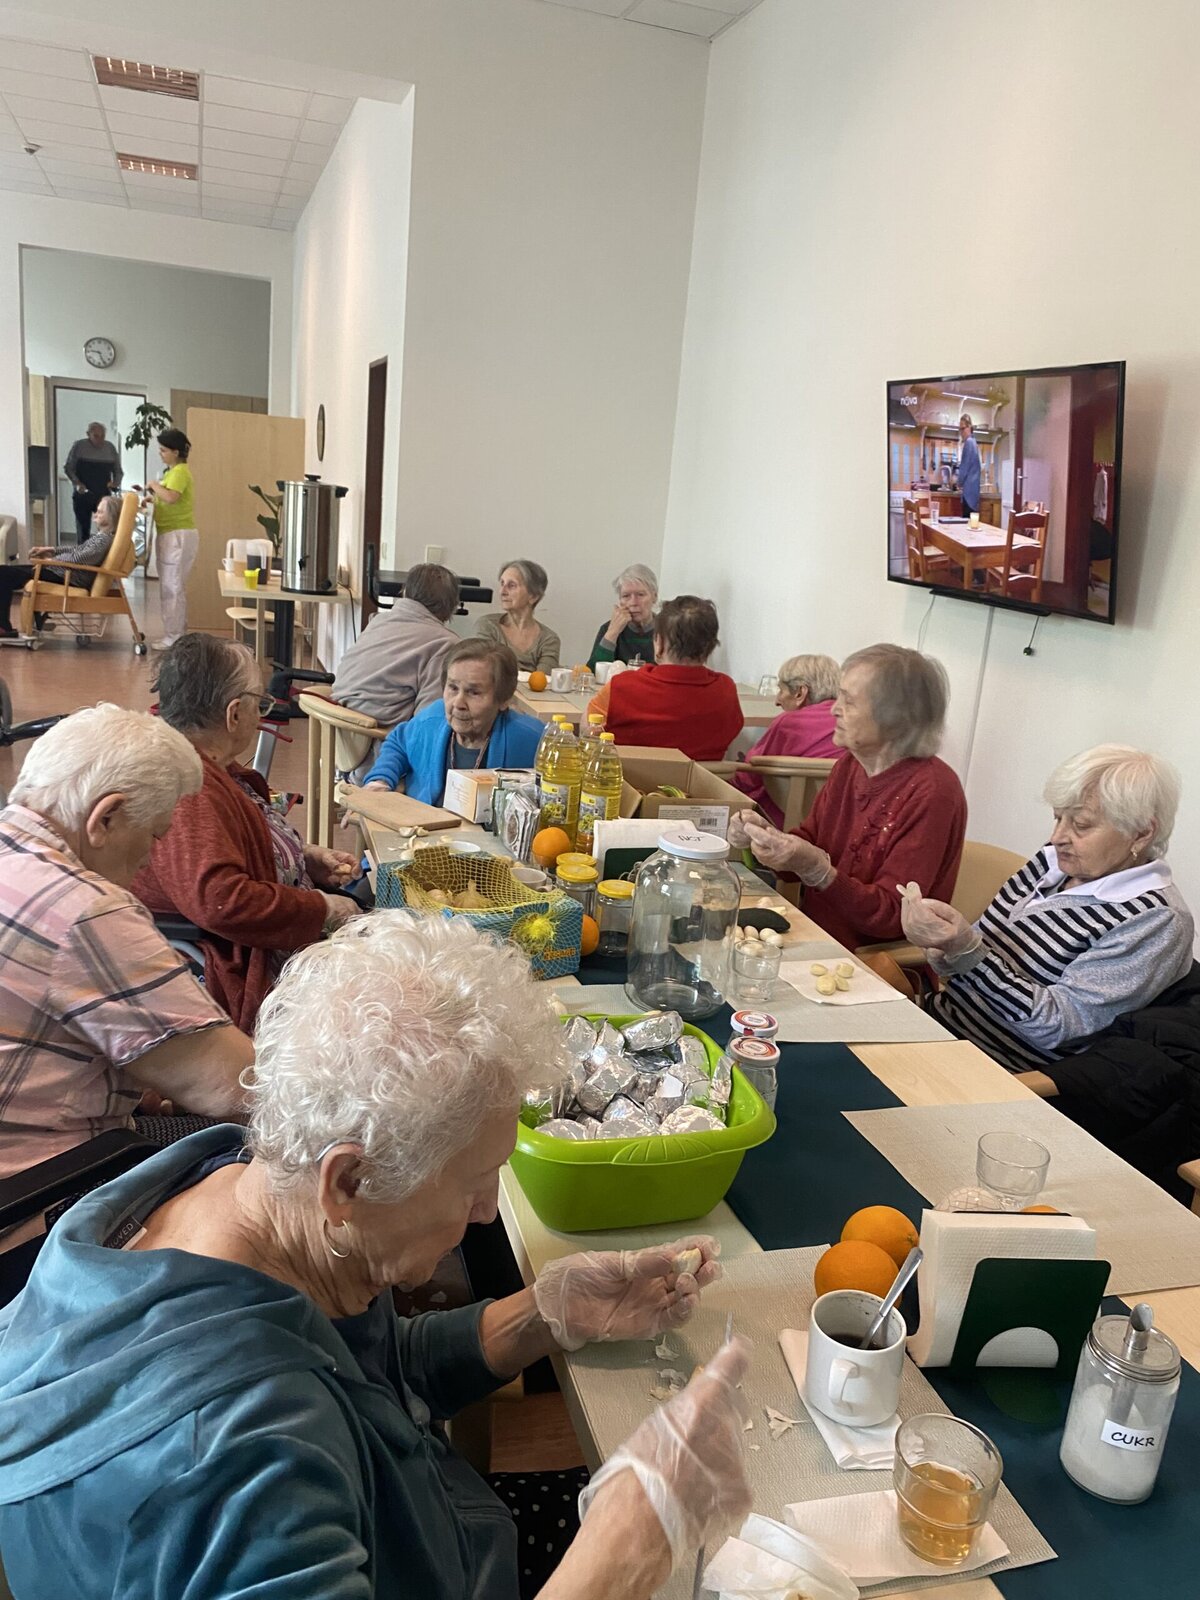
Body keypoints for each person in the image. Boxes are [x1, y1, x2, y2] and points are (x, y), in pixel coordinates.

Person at [0, 913, 751, 1600]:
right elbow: (300, 1414)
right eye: (475, 1182)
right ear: (349, 1181)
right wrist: (623, 1557)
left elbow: (356, 1378)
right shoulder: (244, 1465)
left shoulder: (235, 1184)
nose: (488, 1211)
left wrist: (544, 1315)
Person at [0, 704, 252, 1189]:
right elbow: (232, 1086)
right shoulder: (84, 909)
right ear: (106, 817)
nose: (149, 860)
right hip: (45, 1189)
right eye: (154, 835)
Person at [903, 745, 1194, 1080]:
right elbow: (972, 964)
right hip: (937, 1026)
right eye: (1058, 818)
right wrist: (940, 944)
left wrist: (967, 952)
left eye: (1081, 825)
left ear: (1142, 833)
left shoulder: (1156, 920)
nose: (1057, 837)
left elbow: (1058, 1027)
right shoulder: (1052, 862)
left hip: (996, 1069)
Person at [133, 635, 362, 1031]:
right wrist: (323, 910)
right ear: (234, 714)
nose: (262, 713)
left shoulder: (209, 765)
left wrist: (304, 857)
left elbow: (234, 846)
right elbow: (221, 901)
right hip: (248, 957)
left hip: (281, 923)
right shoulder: (188, 789)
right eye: (261, 702)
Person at [729, 644, 966, 950]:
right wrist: (766, 838)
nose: (834, 709)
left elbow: (893, 916)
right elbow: (806, 846)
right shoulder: (850, 764)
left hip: (871, 959)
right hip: (813, 936)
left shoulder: (933, 792)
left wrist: (820, 872)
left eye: (849, 701)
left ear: (895, 719)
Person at [364, 637, 544, 803]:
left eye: (474, 692)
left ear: (504, 699)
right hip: (423, 823)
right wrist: (381, 779)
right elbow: (398, 743)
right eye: (453, 688)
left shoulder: (531, 738)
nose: (458, 703)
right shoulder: (433, 719)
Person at [331, 562, 460, 775]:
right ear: (451, 607)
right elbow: (429, 718)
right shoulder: (445, 644)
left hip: (337, 741)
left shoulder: (378, 621)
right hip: (376, 756)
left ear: (405, 592)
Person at [586, 595, 742, 761]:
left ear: (659, 643)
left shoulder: (621, 687)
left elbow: (589, 728)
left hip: (629, 776)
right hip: (704, 777)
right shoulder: (726, 690)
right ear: (711, 646)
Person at [731, 653, 842, 826]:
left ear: (800, 693)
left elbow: (748, 777)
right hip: (834, 821)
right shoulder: (853, 724)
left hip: (779, 821)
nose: (777, 701)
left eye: (781, 690)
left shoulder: (789, 723)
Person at [0, 492, 122, 639]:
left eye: (100, 512)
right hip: (60, 573)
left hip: (65, 577)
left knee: (3, 574)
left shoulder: (103, 540)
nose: (95, 514)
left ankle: (3, 627)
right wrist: (51, 550)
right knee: (6, 574)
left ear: (111, 517)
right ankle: (21, 621)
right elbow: (76, 550)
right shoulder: (101, 537)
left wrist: (53, 561)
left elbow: (81, 557)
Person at [147, 427, 197, 648]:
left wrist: (153, 485)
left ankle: (174, 636)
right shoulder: (172, 473)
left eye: (163, 450)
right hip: (171, 532)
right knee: (171, 585)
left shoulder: (180, 472)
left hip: (177, 534)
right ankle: (176, 633)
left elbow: (171, 497)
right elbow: (166, 498)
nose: (161, 454)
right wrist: (152, 498)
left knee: (172, 586)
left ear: (176, 452)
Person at [475, 559, 561, 672]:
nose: (502, 591)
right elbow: (484, 670)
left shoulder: (549, 639)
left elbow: (543, 679)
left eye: (511, 585)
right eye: (502, 583)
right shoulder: (487, 626)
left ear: (533, 596)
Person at [588, 563, 659, 670]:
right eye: (626, 596)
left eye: (640, 594)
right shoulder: (608, 629)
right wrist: (612, 633)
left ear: (654, 597)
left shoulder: (667, 630)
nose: (633, 602)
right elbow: (592, 673)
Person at [63, 421, 122, 541]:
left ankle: (103, 551)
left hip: (103, 495)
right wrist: (77, 483)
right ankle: (82, 551)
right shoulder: (79, 446)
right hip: (83, 493)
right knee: (83, 528)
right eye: (96, 436)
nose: (100, 440)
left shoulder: (110, 448)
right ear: (88, 434)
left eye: (102, 436)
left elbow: (118, 470)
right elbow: (69, 468)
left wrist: (115, 482)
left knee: (107, 528)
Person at [956, 413, 981, 519]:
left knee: (967, 523)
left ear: (969, 427)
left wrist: (958, 483)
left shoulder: (969, 443)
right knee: (972, 522)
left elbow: (964, 467)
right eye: (960, 429)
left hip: (969, 493)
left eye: (963, 429)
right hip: (973, 492)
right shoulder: (974, 442)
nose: (961, 432)